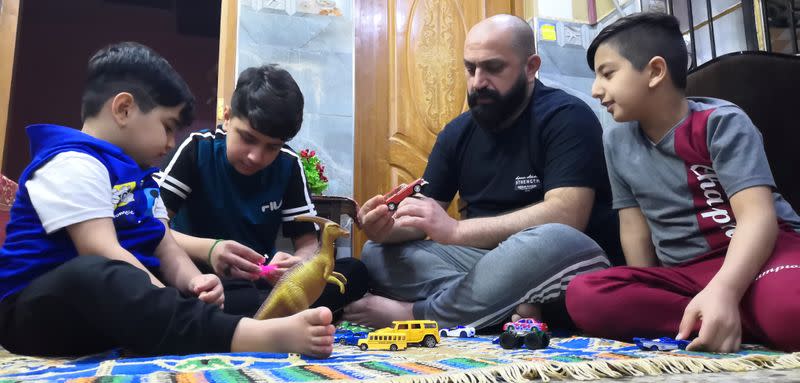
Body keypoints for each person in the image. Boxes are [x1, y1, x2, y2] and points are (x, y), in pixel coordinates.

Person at [0, 42, 334, 358]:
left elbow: (164, 244)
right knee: (95, 271)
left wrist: (195, 281)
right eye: (167, 126)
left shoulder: (141, 178)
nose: (171, 141)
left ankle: (192, 322)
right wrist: (167, 295)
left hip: (103, 313)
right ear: (124, 109)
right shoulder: (73, 162)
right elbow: (101, 250)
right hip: (32, 316)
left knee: (164, 286)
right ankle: (252, 335)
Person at [344, 14, 620, 330]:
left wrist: (457, 232)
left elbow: (568, 216)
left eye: (493, 68)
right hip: (483, 266)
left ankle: (417, 314)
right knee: (375, 252)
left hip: (562, 263)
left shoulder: (567, 116)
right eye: (471, 68)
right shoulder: (456, 134)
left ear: (531, 67)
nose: (478, 82)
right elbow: (421, 221)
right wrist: (386, 228)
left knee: (554, 237)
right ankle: (506, 308)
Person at [566, 13, 800, 352]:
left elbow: (757, 218)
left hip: (765, 255)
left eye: (607, 73)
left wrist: (725, 289)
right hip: (688, 276)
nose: (595, 89)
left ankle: (726, 311)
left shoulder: (721, 123)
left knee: (790, 312)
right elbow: (634, 230)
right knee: (584, 296)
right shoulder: (616, 144)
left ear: (656, 71)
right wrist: (644, 284)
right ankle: (728, 316)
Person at [158, 64, 368, 318]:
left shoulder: (288, 165)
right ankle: (270, 316)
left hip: (259, 284)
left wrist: (298, 266)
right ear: (227, 117)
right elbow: (153, 229)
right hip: (198, 278)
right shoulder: (197, 150)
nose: (256, 156)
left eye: (272, 147)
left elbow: (308, 246)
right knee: (162, 283)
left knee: (354, 271)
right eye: (247, 138)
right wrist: (211, 250)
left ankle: (252, 316)